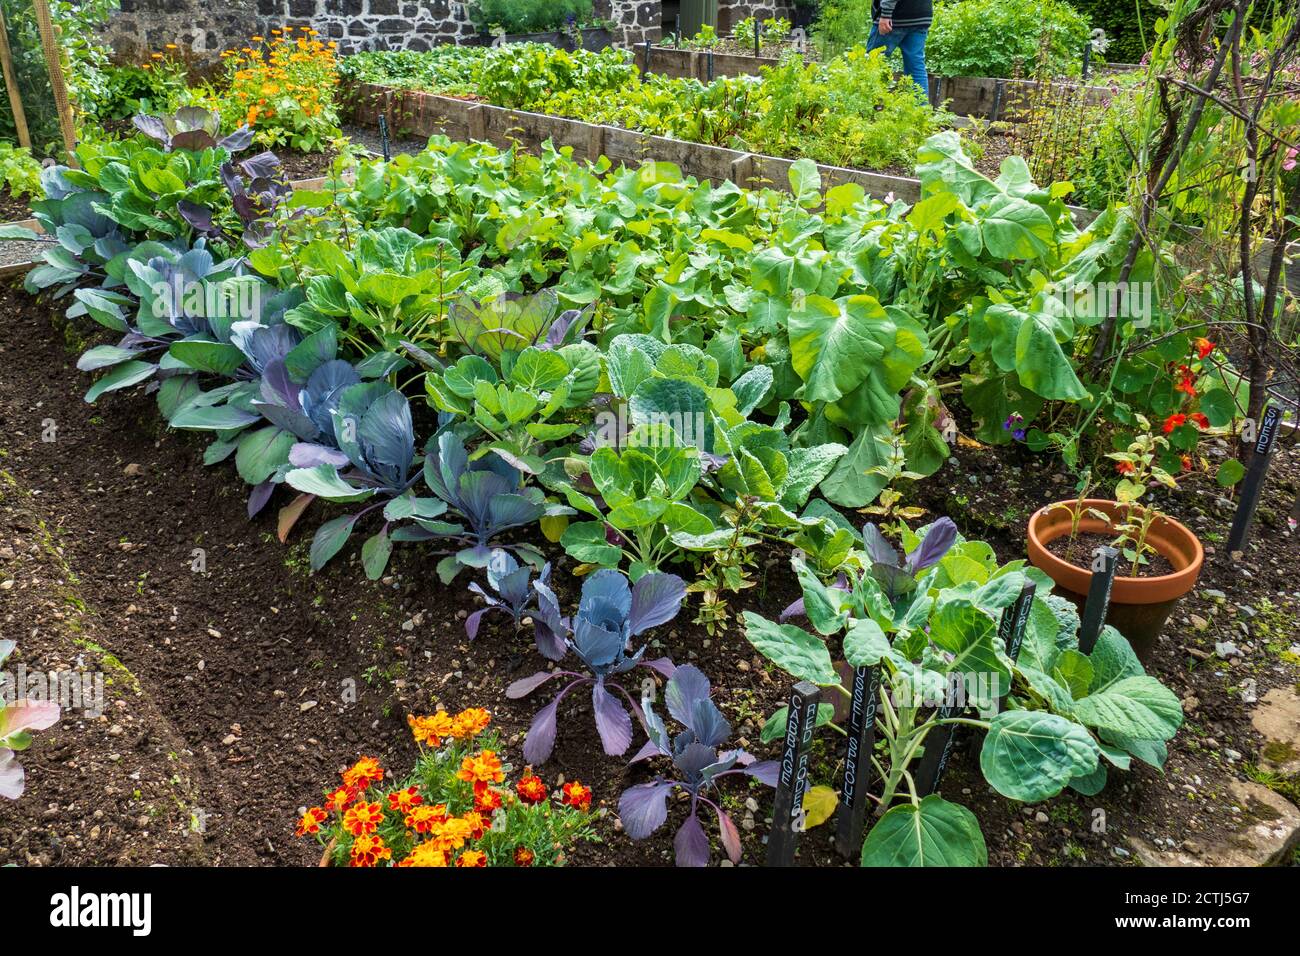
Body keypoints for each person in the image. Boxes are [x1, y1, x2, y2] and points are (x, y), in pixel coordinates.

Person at [868, 0, 934, 100]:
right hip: (921, 15)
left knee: (873, 64)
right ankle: (920, 112)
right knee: (916, 68)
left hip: (896, 16)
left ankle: (871, 107)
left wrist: (886, 14)